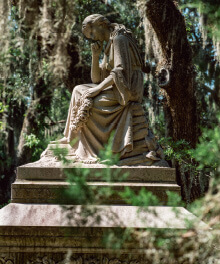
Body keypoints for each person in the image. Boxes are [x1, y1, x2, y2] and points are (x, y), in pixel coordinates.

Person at [54, 14, 166, 166]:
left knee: (93, 100)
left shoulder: (119, 40)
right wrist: (95, 56)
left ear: (101, 24)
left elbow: (120, 70)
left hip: (127, 89)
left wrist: (97, 90)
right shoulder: (108, 45)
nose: (93, 38)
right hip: (117, 86)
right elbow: (97, 79)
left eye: (92, 33)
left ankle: (91, 146)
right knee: (78, 90)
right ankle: (70, 136)